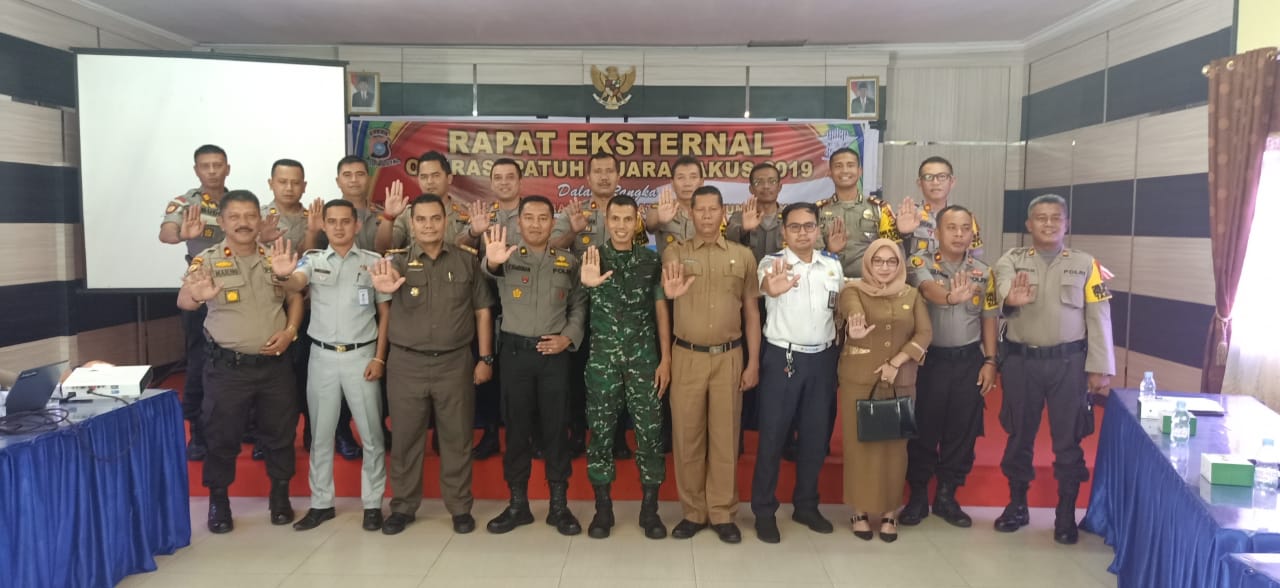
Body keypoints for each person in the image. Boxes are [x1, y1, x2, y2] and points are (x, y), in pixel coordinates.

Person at [176, 190, 303, 534]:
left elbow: (295, 298)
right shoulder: (208, 260)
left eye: (250, 216)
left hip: (274, 368)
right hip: (227, 369)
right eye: (235, 217)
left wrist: (290, 332)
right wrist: (196, 296)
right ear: (222, 222)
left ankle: (280, 496)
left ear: (260, 220)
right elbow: (185, 301)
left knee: (279, 434)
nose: (244, 223)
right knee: (222, 435)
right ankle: (219, 501)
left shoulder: (274, 258)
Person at [369, 194, 496, 535]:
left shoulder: (466, 261)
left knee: (457, 438)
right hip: (406, 364)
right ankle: (403, 507)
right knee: (406, 439)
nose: (428, 225)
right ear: (411, 223)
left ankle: (459, 507)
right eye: (421, 219)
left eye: (435, 219)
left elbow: (482, 310)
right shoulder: (394, 263)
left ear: (446, 222)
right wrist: (381, 289)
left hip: (454, 363)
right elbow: (382, 300)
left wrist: (485, 357)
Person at [993, 193, 1115, 545]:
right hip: (1020, 362)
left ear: (1066, 224)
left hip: (1069, 364)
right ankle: (1017, 504)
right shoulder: (1011, 260)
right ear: (1029, 225)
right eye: (1041, 218)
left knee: (1069, 438)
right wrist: (1009, 300)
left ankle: (1065, 513)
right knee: (1019, 435)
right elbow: (999, 294)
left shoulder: (1085, 263)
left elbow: (1099, 316)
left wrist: (1100, 366)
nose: (1048, 223)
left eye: (1055, 218)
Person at [269, 200, 390, 533]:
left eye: (345, 222)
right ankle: (321, 503)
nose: (338, 228)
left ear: (356, 225)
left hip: (362, 356)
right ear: (323, 225)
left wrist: (380, 358)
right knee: (320, 436)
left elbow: (385, 314)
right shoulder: (312, 260)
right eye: (332, 222)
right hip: (321, 356)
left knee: (372, 435)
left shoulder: (373, 263)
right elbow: (294, 284)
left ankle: (372, 504)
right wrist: (283, 274)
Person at [661, 186, 761, 544]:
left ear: (723, 213)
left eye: (712, 209)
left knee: (724, 438)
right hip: (687, 355)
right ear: (689, 213)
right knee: (687, 438)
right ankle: (693, 512)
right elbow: (663, 299)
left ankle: (721, 512)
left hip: (729, 357)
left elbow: (752, 312)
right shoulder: (674, 253)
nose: (705, 215)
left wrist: (753, 363)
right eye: (698, 209)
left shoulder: (742, 256)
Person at [482, 196, 587, 536]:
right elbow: (489, 269)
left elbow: (579, 306)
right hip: (515, 355)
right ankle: (518, 505)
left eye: (544, 218)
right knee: (516, 429)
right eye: (530, 218)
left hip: (554, 355)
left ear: (554, 222)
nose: (537, 224)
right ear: (519, 223)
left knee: (557, 430)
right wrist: (492, 261)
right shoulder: (506, 256)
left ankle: (559, 506)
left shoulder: (568, 262)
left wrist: (568, 338)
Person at [579, 194, 672, 540]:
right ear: (606, 218)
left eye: (627, 219)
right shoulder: (590, 258)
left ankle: (650, 511)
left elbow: (661, 310)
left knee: (649, 435)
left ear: (637, 222)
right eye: (614, 219)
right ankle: (603, 510)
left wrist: (666, 358)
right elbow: (573, 305)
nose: (620, 226)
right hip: (602, 364)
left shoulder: (651, 262)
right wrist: (583, 283)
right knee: (601, 437)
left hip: (644, 363)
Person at [750, 202, 843, 543]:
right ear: (784, 231)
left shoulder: (832, 266)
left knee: (816, 438)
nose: (802, 232)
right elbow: (763, 284)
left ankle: (806, 504)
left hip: (822, 360)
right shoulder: (771, 263)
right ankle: (763, 510)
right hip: (783, 358)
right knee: (773, 437)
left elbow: (841, 307)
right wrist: (769, 287)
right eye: (795, 227)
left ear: (818, 229)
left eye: (808, 226)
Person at [901, 205, 998, 528]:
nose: (959, 234)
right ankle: (916, 495)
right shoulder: (920, 262)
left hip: (969, 360)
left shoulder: (984, 271)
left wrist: (990, 360)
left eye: (965, 228)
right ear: (937, 232)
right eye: (952, 228)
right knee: (923, 429)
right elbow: (929, 290)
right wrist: (950, 298)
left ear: (973, 233)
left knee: (963, 430)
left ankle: (946, 495)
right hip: (930, 362)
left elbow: (988, 318)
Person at [838, 238, 932, 543]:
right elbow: (851, 310)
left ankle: (891, 512)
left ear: (900, 265)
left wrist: (898, 361)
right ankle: (860, 511)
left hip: (901, 380)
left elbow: (925, 331)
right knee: (859, 447)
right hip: (860, 379)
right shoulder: (854, 289)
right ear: (868, 263)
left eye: (891, 261)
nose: (884, 268)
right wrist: (854, 324)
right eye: (878, 261)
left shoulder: (912, 294)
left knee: (895, 449)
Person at [553, 152, 645, 457]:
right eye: (598, 172)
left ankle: (617, 437)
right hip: (582, 308)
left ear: (618, 176)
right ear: (588, 178)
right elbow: (549, 249)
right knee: (579, 377)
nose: (604, 177)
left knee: (618, 376)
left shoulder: (631, 214)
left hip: (622, 310)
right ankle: (579, 434)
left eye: (610, 172)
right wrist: (573, 231)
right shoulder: (575, 213)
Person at [158, 144, 231, 461]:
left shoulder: (239, 201)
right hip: (200, 285)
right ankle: (199, 434)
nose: (212, 171)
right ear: (196, 170)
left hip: (236, 286)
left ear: (227, 168)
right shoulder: (184, 203)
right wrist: (180, 234)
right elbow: (167, 233)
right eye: (206, 165)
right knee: (200, 361)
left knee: (240, 357)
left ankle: (246, 428)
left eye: (218, 165)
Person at [461, 157, 526, 460]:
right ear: (491, 182)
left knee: (521, 376)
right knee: (487, 367)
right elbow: (457, 246)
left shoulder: (535, 213)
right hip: (489, 301)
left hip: (528, 304)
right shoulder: (483, 216)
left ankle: (525, 435)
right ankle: (488, 432)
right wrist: (475, 232)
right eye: (497, 177)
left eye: (509, 177)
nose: (503, 182)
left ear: (520, 181)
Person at [817, 148, 913, 278]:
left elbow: (894, 253)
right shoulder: (817, 211)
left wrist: (905, 233)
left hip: (869, 284)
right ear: (830, 172)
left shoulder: (880, 209)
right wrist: (829, 250)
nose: (845, 170)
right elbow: (808, 256)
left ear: (859, 171)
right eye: (838, 166)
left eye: (850, 165)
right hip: (827, 282)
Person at [375, 151, 473, 253]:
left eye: (435, 175)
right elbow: (383, 249)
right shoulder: (407, 214)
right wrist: (388, 217)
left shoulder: (465, 214)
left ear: (449, 178)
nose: (429, 181)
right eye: (424, 177)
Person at [895, 156, 983, 259]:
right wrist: (904, 234)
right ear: (919, 183)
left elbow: (976, 257)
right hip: (917, 273)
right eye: (928, 177)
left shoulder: (965, 218)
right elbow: (893, 258)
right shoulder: (907, 215)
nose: (935, 182)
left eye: (942, 176)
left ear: (952, 182)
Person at [647, 155, 704, 257]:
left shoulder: (710, 212)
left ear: (701, 183)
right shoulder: (663, 207)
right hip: (667, 271)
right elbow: (650, 225)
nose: (687, 183)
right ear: (672, 183)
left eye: (693, 177)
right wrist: (659, 220)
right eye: (681, 178)